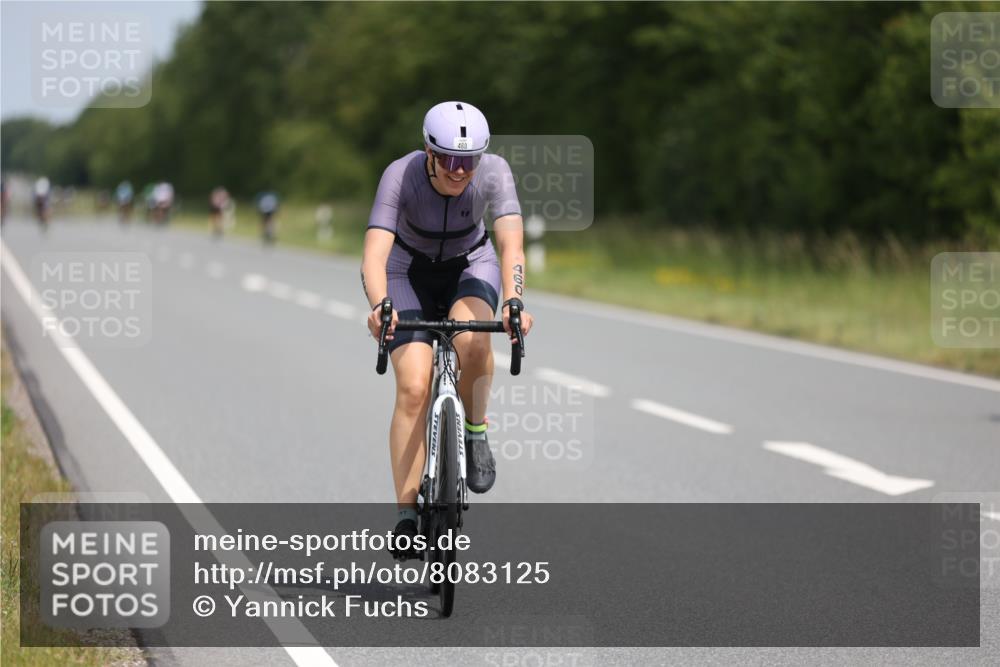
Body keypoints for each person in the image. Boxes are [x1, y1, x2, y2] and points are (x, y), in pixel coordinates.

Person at [360, 101, 534, 551]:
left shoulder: (494, 172)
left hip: (470, 264)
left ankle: (475, 431)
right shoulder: (400, 175)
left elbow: (510, 243)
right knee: (415, 386)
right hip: (406, 271)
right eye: (451, 160)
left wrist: (515, 300)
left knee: (473, 340)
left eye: (470, 160)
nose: (461, 171)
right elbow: (374, 255)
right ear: (428, 152)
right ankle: (405, 513)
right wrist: (380, 304)